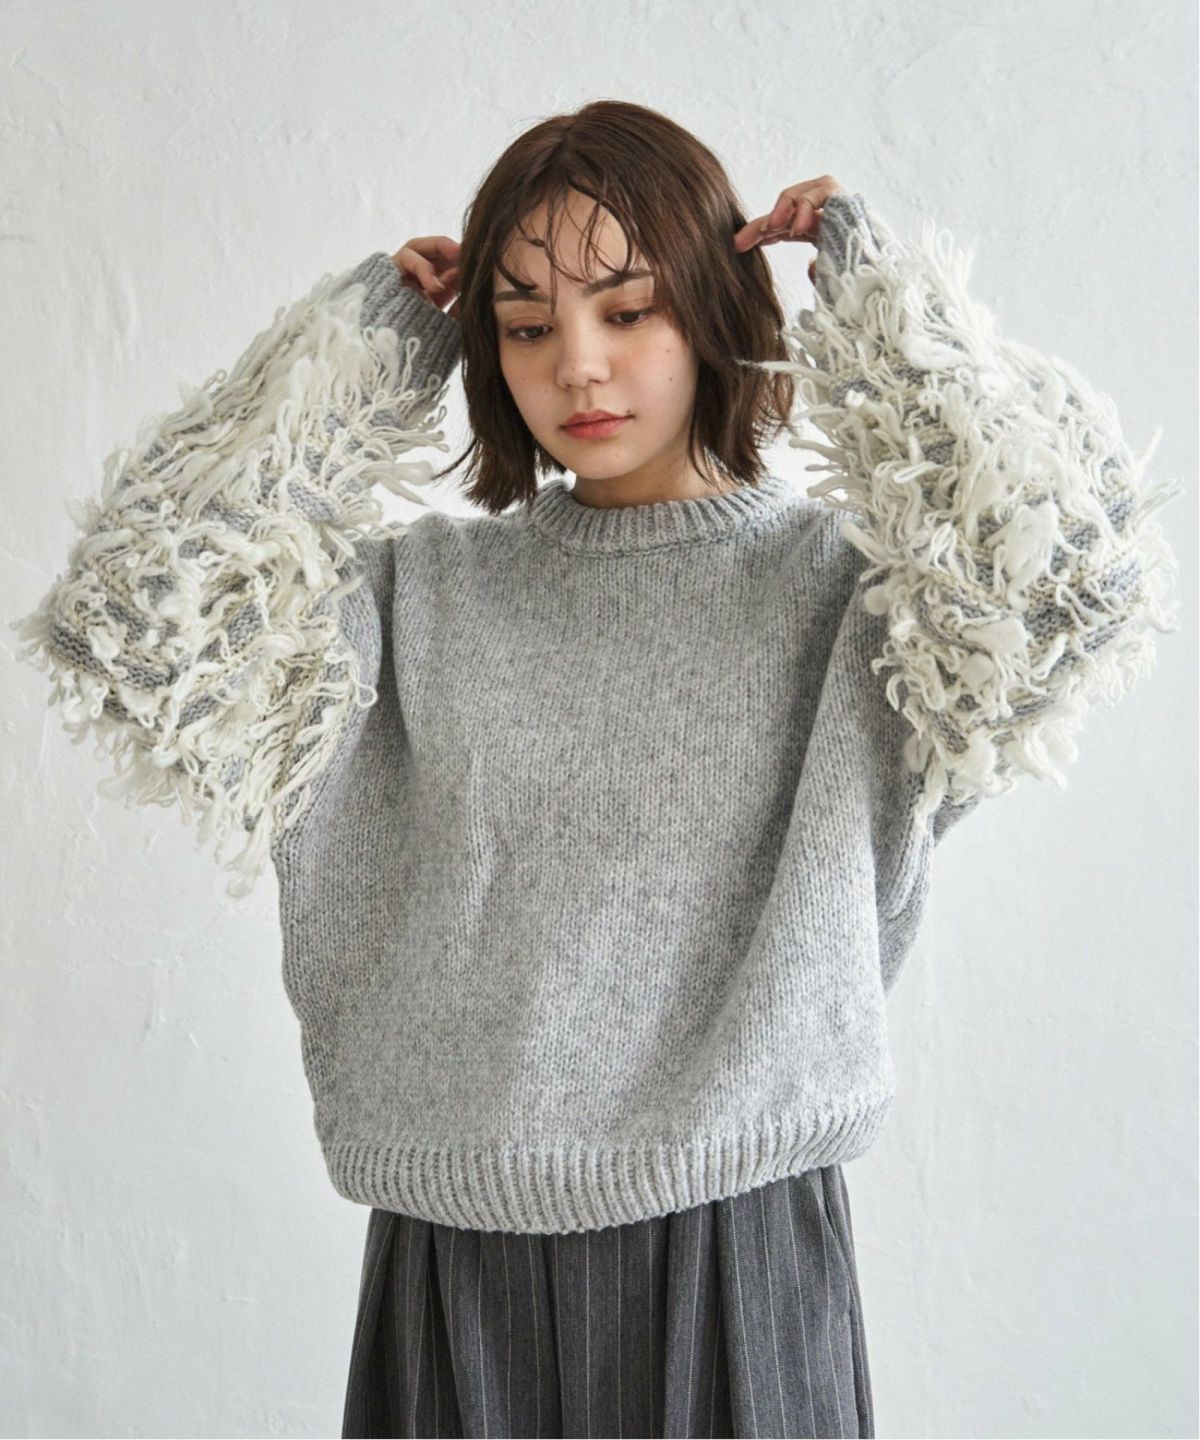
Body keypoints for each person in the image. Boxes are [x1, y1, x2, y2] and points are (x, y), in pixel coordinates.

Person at [11, 100, 1181, 1439]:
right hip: (454, 1258)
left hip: (741, 1251)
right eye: (524, 326)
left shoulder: (850, 602)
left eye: (628, 311)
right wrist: (352, 353)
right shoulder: (410, 604)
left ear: (713, 306)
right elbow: (126, 621)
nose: (577, 364)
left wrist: (880, 307)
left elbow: (1078, 587)